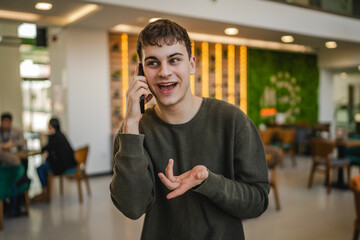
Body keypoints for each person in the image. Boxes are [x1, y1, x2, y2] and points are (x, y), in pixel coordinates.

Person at [110, 19, 269, 240]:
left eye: (174, 60)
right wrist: (130, 124)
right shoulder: (135, 130)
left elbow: (258, 201)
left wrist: (207, 181)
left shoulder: (232, 120)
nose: (164, 72)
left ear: (192, 65)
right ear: (141, 72)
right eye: (153, 63)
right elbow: (132, 208)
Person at [32, 118, 77, 202]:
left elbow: (46, 148)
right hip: (69, 163)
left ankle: (45, 192)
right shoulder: (61, 135)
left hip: (63, 165)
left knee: (40, 168)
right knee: (44, 166)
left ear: (51, 126)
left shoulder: (55, 137)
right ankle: (46, 191)